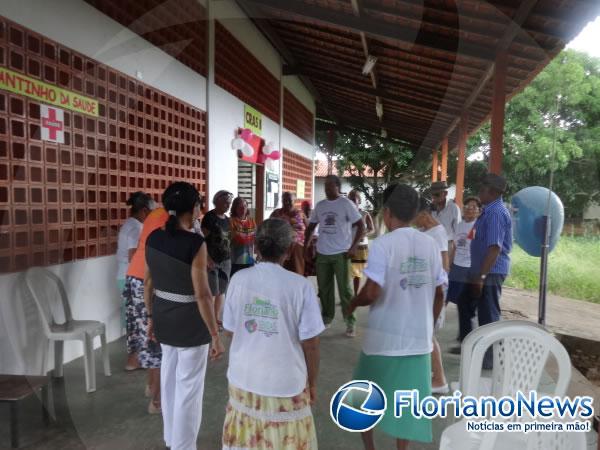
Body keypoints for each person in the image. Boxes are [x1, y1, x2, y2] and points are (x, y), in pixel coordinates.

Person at [348, 184, 446, 450]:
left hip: (383, 340)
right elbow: (439, 292)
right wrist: (429, 325)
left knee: (363, 401)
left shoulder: (383, 244)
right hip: (418, 341)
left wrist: (352, 304)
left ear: (387, 212)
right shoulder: (430, 244)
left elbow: (371, 292)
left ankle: (370, 448)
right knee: (406, 406)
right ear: (415, 214)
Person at [222, 219, 324, 450]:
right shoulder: (301, 287)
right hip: (286, 385)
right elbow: (311, 345)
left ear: (255, 248)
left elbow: (229, 329)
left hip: (244, 380)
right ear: (289, 251)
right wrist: (313, 383)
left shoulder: (239, 280)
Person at [144, 182, 224, 450]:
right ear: (193, 209)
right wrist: (215, 334)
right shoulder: (194, 243)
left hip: (164, 316)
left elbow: (148, 283)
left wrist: (151, 317)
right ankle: (183, 445)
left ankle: (171, 438)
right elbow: (202, 295)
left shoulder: (154, 237)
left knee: (169, 379)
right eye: (199, 204)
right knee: (188, 388)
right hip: (190, 323)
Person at [304, 175, 365, 337]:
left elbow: (361, 226)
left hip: (341, 253)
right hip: (322, 253)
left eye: (330, 185)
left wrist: (353, 247)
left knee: (345, 290)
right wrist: (306, 246)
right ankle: (327, 317)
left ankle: (350, 321)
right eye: (325, 185)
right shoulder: (320, 205)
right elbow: (310, 227)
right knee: (324, 289)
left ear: (338, 187)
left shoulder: (346, 204)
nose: (326, 188)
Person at [124, 205, 169, 413]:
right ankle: (158, 401)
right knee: (156, 339)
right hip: (147, 280)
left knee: (148, 337)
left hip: (135, 275)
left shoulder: (155, 213)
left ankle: (151, 387)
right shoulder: (168, 220)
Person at [468, 173, 512, 369]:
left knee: (490, 313)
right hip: (487, 270)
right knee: (485, 312)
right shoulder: (489, 210)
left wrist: (482, 276)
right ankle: (489, 354)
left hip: (491, 271)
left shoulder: (495, 213)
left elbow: (495, 248)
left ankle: (493, 357)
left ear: (493, 192)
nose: (479, 192)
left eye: (482, 189)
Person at [413, 197, 450, 394]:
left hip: (433, 290)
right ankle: (430, 373)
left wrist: (436, 291)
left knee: (428, 334)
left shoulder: (438, 232)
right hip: (423, 287)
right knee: (423, 333)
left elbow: (444, 265)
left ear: (424, 215)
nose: (413, 222)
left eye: (415, 218)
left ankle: (440, 380)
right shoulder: (423, 231)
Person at [447, 197, 481, 350]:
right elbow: (454, 246)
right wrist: (449, 264)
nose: (469, 209)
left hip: (470, 269)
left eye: (474, 207)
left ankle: (467, 341)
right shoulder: (460, 225)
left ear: (479, 211)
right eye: (467, 206)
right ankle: (464, 335)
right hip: (458, 267)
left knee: (467, 305)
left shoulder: (477, 226)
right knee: (460, 304)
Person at [116, 192, 154, 332]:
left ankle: (135, 350)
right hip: (130, 278)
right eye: (151, 212)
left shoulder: (131, 224)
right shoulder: (135, 228)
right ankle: (137, 351)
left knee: (134, 318)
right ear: (144, 210)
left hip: (125, 276)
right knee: (138, 319)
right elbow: (134, 257)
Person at [201, 190, 233, 331]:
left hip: (225, 260)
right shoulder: (209, 217)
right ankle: (210, 321)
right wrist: (207, 257)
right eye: (226, 201)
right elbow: (202, 239)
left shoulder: (227, 219)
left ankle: (216, 318)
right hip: (212, 260)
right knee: (212, 291)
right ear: (217, 201)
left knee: (221, 291)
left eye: (229, 202)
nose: (228, 204)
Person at [270, 192, 307, 275]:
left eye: (289, 200)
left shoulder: (300, 214)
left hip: (298, 247)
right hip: (281, 245)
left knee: (297, 273)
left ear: (294, 201)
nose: (286, 202)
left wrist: (308, 244)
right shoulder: (277, 213)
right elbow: (268, 227)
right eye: (284, 200)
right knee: (281, 274)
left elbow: (309, 229)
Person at [347, 189, 375, 295]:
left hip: (361, 246)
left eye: (355, 199)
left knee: (357, 272)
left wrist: (363, 234)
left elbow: (372, 229)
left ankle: (355, 294)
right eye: (350, 199)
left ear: (359, 201)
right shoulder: (346, 215)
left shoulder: (364, 213)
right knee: (346, 271)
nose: (353, 202)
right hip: (347, 245)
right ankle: (347, 294)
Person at [430, 181, 461, 252]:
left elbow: (458, 230)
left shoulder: (453, 208)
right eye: (432, 194)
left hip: (447, 244)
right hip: (432, 243)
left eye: (437, 194)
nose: (434, 197)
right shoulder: (430, 207)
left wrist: (456, 249)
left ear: (445, 193)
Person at [229, 196, 256, 277]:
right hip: (235, 260)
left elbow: (256, 237)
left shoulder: (251, 221)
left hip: (249, 259)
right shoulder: (231, 221)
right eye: (240, 207)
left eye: (244, 206)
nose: (243, 209)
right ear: (235, 208)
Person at [301, 201, 317, 277]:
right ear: (302, 209)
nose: (308, 211)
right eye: (306, 209)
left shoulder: (314, 219)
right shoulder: (301, 218)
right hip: (304, 242)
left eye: (309, 209)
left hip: (313, 242)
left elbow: (314, 232)